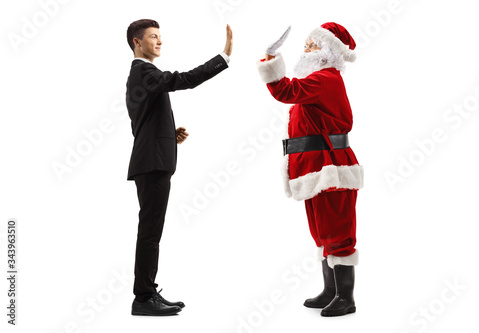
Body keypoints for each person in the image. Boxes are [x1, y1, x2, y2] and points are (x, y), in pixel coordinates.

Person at [125, 19, 233, 316]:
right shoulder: (144, 71)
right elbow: (182, 79)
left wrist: (169, 137)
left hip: (153, 158)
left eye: (161, 37)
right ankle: (143, 297)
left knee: (151, 230)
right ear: (137, 42)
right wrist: (222, 57)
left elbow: (143, 122)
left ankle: (146, 293)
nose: (160, 41)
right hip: (152, 163)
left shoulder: (141, 75)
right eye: (153, 37)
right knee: (150, 231)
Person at [256, 22, 363, 317]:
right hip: (314, 166)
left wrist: (270, 59)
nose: (306, 49)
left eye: (313, 44)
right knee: (321, 231)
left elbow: (286, 91)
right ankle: (331, 291)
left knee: (338, 230)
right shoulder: (318, 80)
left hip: (330, 165)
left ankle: (346, 298)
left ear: (329, 51)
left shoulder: (326, 79)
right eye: (306, 44)